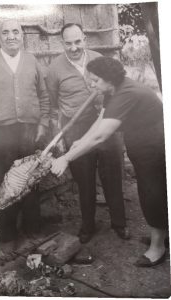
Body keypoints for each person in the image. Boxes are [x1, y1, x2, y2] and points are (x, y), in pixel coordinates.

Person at [51, 56, 168, 267]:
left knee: (153, 195)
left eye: (95, 80)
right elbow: (101, 120)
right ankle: (161, 235)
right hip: (142, 147)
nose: (91, 84)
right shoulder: (112, 90)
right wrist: (81, 141)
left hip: (155, 149)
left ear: (109, 79)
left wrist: (66, 158)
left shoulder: (126, 94)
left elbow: (101, 136)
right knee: (153, 193)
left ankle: (158, 248)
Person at [46, 23, 130, 243]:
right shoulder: (55, 68)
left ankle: (119, 223)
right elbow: (53, 106)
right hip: (76, 129)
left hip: (106, 124)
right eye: (68, 43)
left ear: (85, 39)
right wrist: (61, 138)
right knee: (84, 181)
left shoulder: (99, 60)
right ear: (61, 42)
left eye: (78, 41)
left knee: (113, 175)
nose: (74, 47)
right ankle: (88, 226)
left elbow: (117, 89)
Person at [0, 19, 50, 242]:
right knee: (5, 184)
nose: (11, 36)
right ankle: (7, 235)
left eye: (15, 31)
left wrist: (43, 124)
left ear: (22, 35)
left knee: (30, 179)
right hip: (0, 132)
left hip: (29, 130)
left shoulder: (31, 60)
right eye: (5, 32)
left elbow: (44, 96)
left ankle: (33, 230)